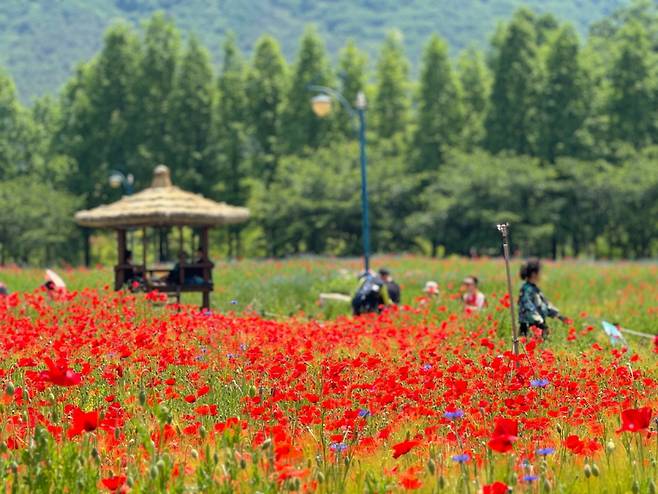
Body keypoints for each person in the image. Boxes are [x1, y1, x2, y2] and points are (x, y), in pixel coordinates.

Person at [518, 259, 567, 339]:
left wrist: (557, 315)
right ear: (534, 274)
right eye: (540, 272)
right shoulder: (526, 289)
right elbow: (528, 308)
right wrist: (539, 322)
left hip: (538, 324)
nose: (541, 274)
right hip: (529, 326)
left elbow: (544, 305)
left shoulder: (535, 289)